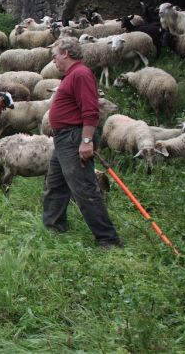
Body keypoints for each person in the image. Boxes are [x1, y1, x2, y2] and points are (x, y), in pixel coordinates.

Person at [43, 36, 123, 249]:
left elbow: (90, 109)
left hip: (74, 138)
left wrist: (86, 140)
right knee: (56, 185)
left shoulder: (80, 74)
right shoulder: (71, 75)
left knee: (83, 188)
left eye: (55, 56)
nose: (54, 61)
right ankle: (53, 227)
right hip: (63, 139)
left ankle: (107, 239)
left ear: (66, 54)